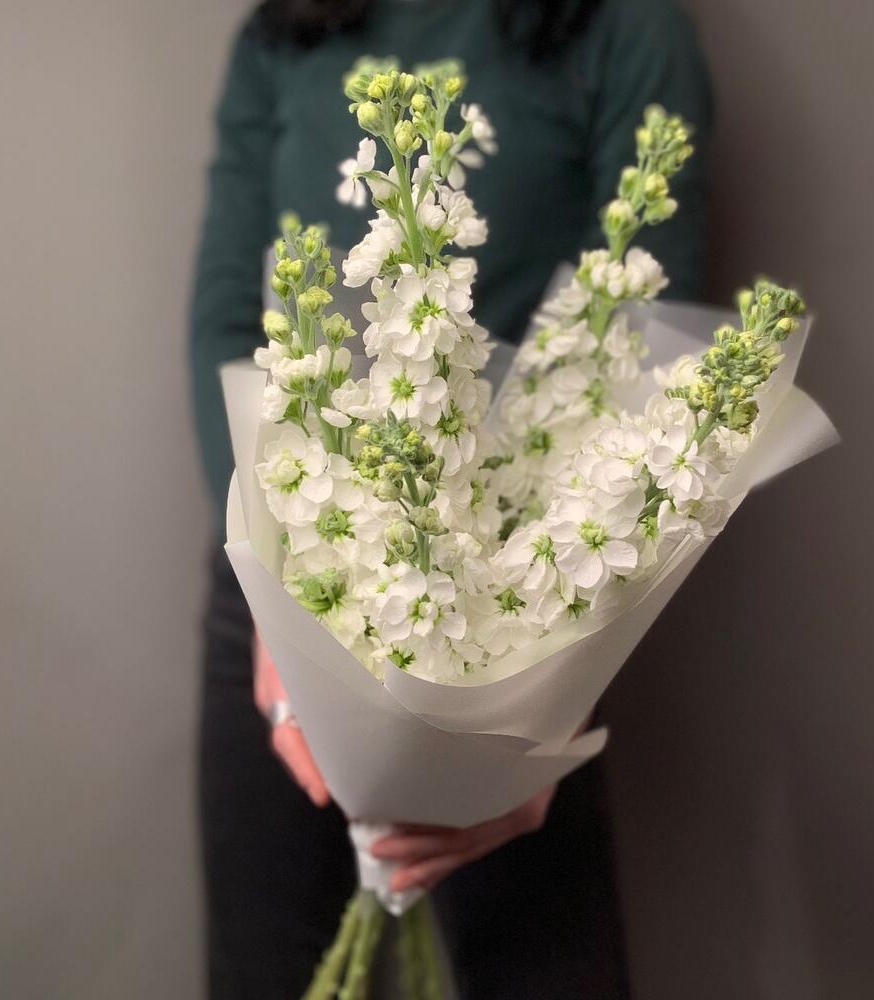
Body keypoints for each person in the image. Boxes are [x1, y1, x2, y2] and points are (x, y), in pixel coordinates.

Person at [190, 1, 711, 997]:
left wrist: (538, 716)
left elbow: (651, 344)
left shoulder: (619, 28)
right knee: (269, 969)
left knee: (537, 963)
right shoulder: (282, 34)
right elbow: (225, 315)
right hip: (276, 574)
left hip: (518, 593)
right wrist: (274, 585)